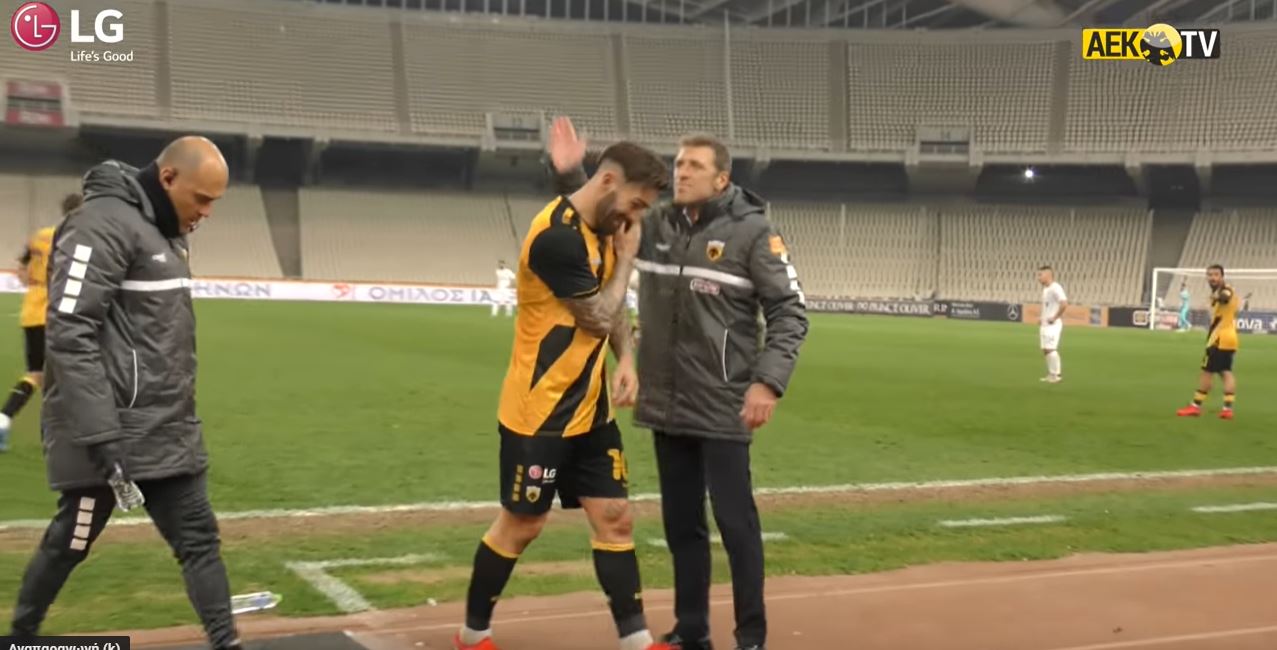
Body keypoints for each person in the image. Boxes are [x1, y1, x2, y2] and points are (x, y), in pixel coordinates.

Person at [549, 117, 809, 650]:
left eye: (694, 166)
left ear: (722, 179)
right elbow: (596, 220)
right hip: (667, 403)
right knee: (681, 526)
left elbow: (790, 313)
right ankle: (693, 631)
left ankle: (751, 636)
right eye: (678, 163)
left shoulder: (754, 233)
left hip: (723, 402)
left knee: (736, 525)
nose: (681, 172)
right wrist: (571, 174)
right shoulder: (658, 224)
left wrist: (767, 383)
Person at [9, 136, 243, 650]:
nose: (207, 213)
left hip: (166, 431)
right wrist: (100, 435)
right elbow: (69, 332)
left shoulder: (169, 234)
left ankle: (227, 644)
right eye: (202, 199)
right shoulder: (98, 225)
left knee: (199, 543)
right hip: (107, 438)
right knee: (71, 542)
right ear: (168, 178)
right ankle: (21, 638)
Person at [455, 141, 673, 650]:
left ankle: (637, 641)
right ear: (609, 183)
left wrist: (626, 360)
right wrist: (628, 261)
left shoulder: (602, 227)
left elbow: (611, 311)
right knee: (522, 525)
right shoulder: (556, 237)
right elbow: (597, 315)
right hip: (540, 412)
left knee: (615, 519)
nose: (636, 219)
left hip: (591, 409)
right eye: (636, 205)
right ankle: (472, 635)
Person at [0, 193, 82, 452]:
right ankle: (62, 432)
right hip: (56, 311)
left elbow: (21, 271)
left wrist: (34, 279)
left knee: (37, 373)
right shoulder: (74, 239)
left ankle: (4, 418)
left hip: (32, 310)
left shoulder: (40, 236)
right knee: (67, 372)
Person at [1177, 264, 1238, 420]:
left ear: (1222, 276)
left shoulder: (1226, 289)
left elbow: (1225, 296)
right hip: (1229, 337)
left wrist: (1218, 297)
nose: (1212, 278)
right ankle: (1227, 409)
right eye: (1209, 275)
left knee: (1207, 372)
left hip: (1219, 338)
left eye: (1216, 274)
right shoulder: (1217, 292)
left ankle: (1195, 406)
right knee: (1225, 371)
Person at [1037, 266, 1068, 384]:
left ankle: (1057, 375)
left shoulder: (1056, 288)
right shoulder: (1046, 289)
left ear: (1048, 275)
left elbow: (1064, 304)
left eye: (1040, 275)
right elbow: (1047, 307)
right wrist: (1042, 318)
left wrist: (1055, 317)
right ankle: (1051, 374)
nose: (1038, 278)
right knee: (1045, 349)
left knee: (1050, 348)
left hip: (1053, 325)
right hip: (1045, 324)